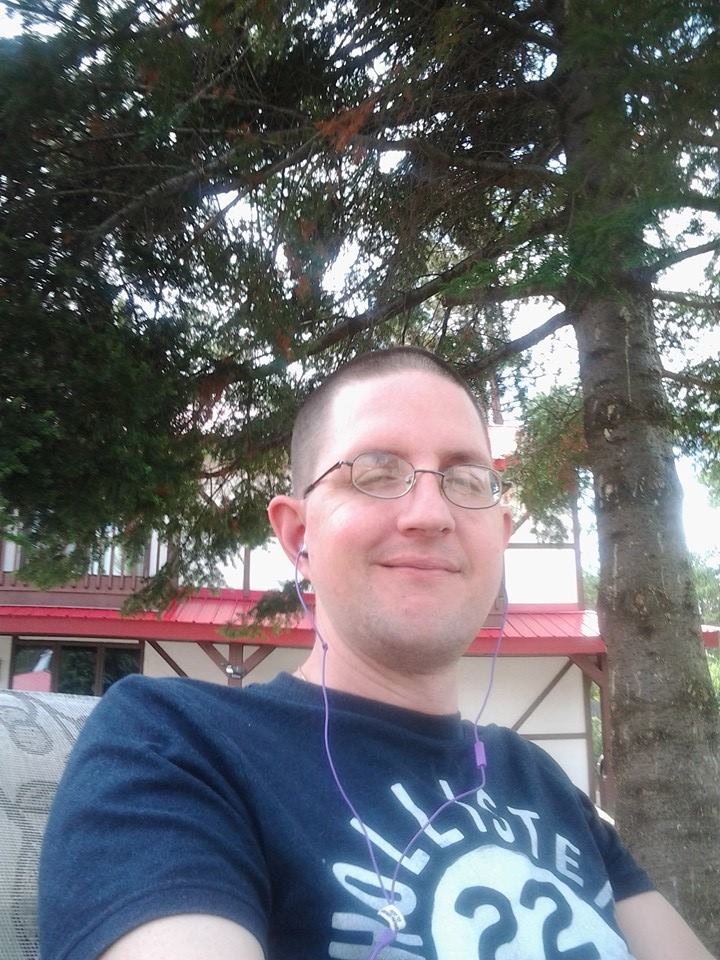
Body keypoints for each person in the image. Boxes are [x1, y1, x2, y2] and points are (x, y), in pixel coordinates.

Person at [39, 347, 715, 960]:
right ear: (298, 535)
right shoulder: (174, 741)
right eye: (376, 472)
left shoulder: (539, 780)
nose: (430, 514)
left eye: (466, 479)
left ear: (501, 533)